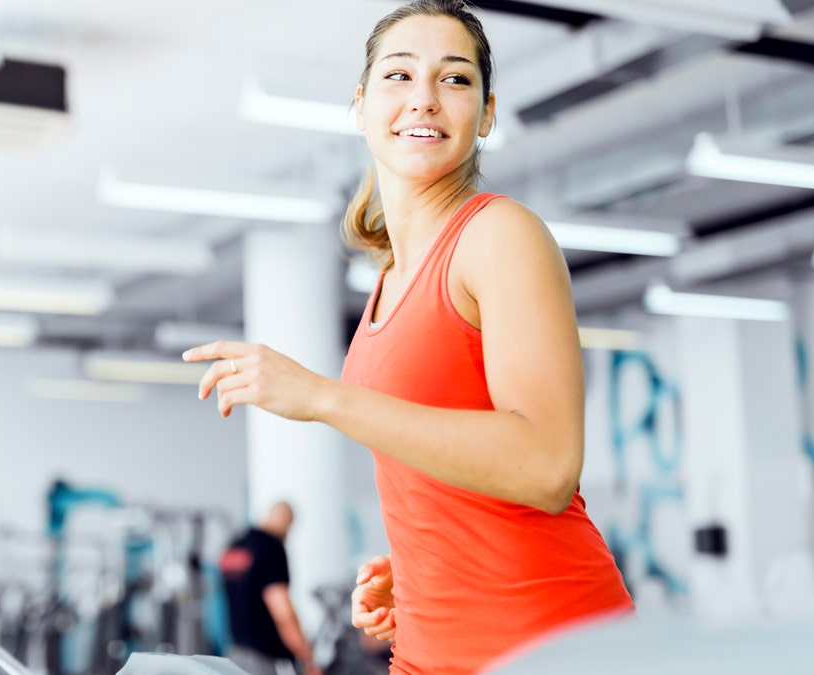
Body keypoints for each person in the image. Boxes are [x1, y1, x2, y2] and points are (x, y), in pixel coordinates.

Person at [183, 1, 635, 672]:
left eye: (454, 79)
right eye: (399, 76)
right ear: (362, 105)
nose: (424, 99)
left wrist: (324, 397)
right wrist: (428, 560)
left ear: (484, 114)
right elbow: (455, 454)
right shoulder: (390, 276)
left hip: (545, 640)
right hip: (429, 646)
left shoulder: (498, 235)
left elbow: (546, 466)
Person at [219, 502, 321, 675]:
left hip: (234, 654)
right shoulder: (271, 547)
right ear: (286, 522)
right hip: (263, 660)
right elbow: (282, 612)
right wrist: (307, 657)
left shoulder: (235, 545)